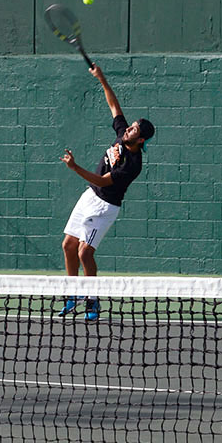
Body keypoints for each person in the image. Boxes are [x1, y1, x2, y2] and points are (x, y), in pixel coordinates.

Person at [57, 63, 155, 321]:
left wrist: (74, 166)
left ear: (140, 139)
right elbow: (114, 105)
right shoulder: (122, 134)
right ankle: (71, 295)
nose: (128, 129)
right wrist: (101, 78)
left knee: (84, 252)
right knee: (68, 245)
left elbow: (102, 179)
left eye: (133, 129)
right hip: (89, 196)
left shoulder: (132, 166)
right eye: (130, 126)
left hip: (105, 207)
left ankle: (92, 300)